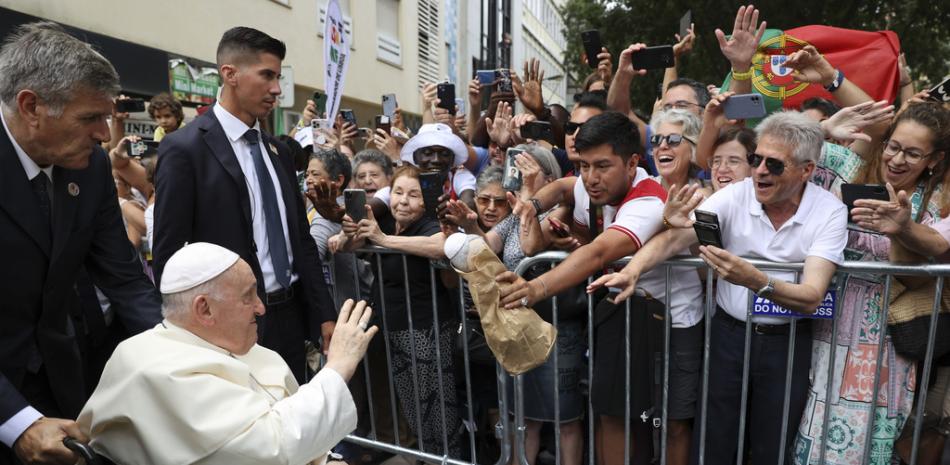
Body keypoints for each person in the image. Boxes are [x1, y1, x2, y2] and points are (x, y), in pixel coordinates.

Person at [589, 111, 848, 464]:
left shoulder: (829, 210)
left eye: (774, 165)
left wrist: (755, 279)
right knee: (716, 441)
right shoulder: (737, 195)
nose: (758, 171)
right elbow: (675, 238)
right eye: (756, 159)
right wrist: (633, 271)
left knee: (772, 442)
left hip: (787, 342)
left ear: (806, 170)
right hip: (729, 336)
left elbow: (812, 295)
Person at [0, 22, 162, 464]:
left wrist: (181, 357)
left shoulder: (88, 169)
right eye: (91, 118)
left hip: (61, 383)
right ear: (31, 106)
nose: (104, 136)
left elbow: (125, 279)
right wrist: (17, 421)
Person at [78, 242, 377, 465]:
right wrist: (338, 366)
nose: (261, 307)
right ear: (204, 308)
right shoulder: (153, 368)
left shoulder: (249, 350)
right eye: (248, 296)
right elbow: (270, 448)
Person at [153, 27, 336, 383]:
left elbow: (300, 239)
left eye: (278, 77)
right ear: (230, 74)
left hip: (291, 318)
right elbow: (168, 256)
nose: (277, 89)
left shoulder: (279, 153)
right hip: (226, 327)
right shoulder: (185, 149)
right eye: (267, 75)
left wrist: (323, 313)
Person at [494, 112, 672, 464]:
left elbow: (599, 252)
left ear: (633, 162)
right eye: (584, 165)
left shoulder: (647, 201)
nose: (590, 178)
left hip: (658, 322)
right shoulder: (592, 181)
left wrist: (534, 288)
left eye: (602, 166)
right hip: (623, 313)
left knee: (631, 422)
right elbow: (564, 186)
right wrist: (533, 205)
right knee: (610, 415)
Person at [794, 102, 950, 465]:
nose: (897, 159)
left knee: (870, 435)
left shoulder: (932, 208)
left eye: (913, 153)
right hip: (825, 328)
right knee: (814, 423)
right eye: (894, 146)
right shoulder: (848, 173)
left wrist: (900, 229)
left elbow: (912, 277)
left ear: (933, 159)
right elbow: (775, 151)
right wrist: (824, 129)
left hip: (883, 342)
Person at [337, 165, 464, 458]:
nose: (403, 201)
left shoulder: (431, 225)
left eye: (413, 194)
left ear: (425, 202)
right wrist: (347, 235)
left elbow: (442, 246)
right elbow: (352, 243)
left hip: (427, 333)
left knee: (439, 415)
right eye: (398, 192)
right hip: (396, 333)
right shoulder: (386, 221)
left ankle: (448, 462)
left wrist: (384, 240)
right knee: (416, 413)